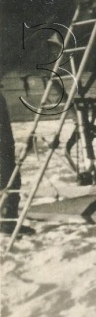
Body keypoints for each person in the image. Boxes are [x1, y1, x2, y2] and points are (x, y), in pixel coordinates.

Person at [1, 93, 35, 238]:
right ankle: (8, 223)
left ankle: (7, 220)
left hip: (5, 146)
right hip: (3, 148)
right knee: (11, 181)